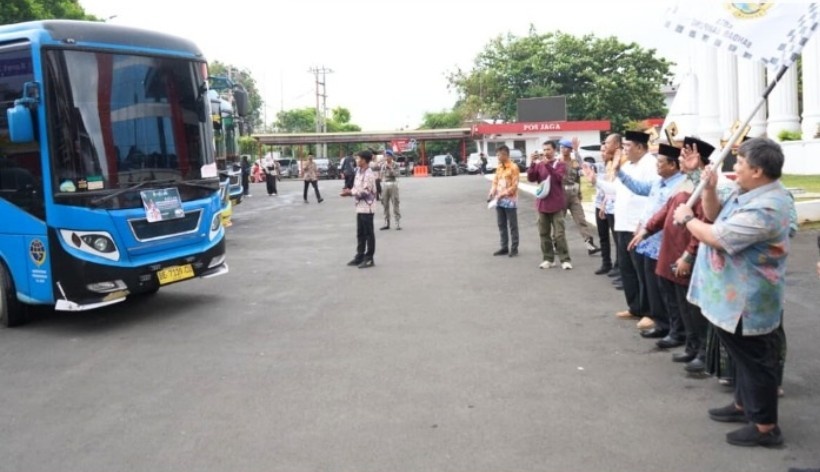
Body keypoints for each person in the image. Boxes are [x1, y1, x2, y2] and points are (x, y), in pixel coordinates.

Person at [673, 137, 792, 447]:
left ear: (758, 170)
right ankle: (744, 406)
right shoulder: (750, 192)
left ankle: (765, 426)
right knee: (741, 359)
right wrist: (709, 187)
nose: (734, 168)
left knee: (755, 362)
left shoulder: (768, 206)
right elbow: (715, 215)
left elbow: (717, 235)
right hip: (730, 295)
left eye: (740, 163)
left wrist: (687, 218)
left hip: (747, 301)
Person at [585, 130, 657, 326]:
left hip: (638, 226)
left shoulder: (650, 165)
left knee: (643, 272)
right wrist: (595, 181)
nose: (624, 149)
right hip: (623, 224)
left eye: (628, 146)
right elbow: (615, 189)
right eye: (624, 146)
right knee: (627, 269)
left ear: (640, 147)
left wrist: (643, 225)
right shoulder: (629, 165)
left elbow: (649, 194)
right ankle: (635, 307)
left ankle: (650, 312)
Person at [624, 144, 688, 344]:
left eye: (660, 162)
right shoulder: (658, 182)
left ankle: (675, 330)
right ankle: (661, 324)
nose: (657, 166)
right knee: (652, 287)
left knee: (666, 290)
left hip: (663, 244)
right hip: (647, 241)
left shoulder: (680, 186)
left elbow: (667, 216)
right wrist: (641, 227)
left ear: (673, 165)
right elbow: (647, 200)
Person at [527, 140, 570, 269]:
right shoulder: (539, 164)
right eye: (544, 150)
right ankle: (548, 258)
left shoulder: (560, 164)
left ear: (554, 150)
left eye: (548, 149)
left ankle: (565, 259)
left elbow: (558, 178)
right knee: (543, 233)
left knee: (559, 234)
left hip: (556, 204)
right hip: (542, 204)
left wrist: (548, 166)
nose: (546, 152)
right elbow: (531, 178)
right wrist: (532, 164)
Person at [559, 138, 601, 256]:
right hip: (560, 195)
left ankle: (590, 245)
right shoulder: (558, 162)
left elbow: (580, 171)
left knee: (581, 220)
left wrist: (579, 193)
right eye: (561, 147)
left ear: (570, 149)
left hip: (573, 195)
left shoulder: (574, 162)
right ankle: (557, 244)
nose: (563, 149)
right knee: (559, 222)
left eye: (566, 147)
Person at [341, 150, 377, 268]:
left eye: (358, 159)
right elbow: (356, 186)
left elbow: (365, 191)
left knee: (368, 233)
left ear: (364, 160)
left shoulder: (369, 173)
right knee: (360, 233)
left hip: (367, 207)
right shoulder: (359, 172)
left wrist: (350, 193)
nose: (356, 160)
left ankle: (369, 258)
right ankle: (360, 255)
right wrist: (349, 190)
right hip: (359, 207)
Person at [591, 133, 621, 275]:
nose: (603, 151)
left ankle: (619, 267)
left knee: (619, 240)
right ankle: (607, 264)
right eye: (601, 149)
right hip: (605, 205)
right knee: (603, 236)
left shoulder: (621, 162)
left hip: (617, 208)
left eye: (606, 146)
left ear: (616, 145)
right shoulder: (608, 164)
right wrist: (603, 204)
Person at [488, 145, 520, 257]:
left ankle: (514, 248)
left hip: (510, 201)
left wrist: (502, 194)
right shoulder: (499, 167)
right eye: (497, 154)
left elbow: (514, 186)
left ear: (505, 155)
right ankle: (504, 247)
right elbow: (495, 182)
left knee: (512, 225)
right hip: (499, 201)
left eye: (499, 154)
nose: (497, 156)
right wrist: (492, 192)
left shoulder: (514, 167)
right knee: (501, 224)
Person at [379, 150, 401, 230]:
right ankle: (386, 222)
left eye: (387, 156)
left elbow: (397, 174)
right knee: (384, 203)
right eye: (385, 156)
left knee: (395, 202)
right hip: (385, 184)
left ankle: (397, 222)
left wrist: (391, 169)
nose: (386, 157)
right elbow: (381, 176)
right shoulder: (383, 165)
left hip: (393, 184)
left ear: (391, 156)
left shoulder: (396, 164)